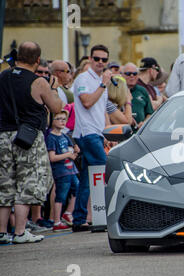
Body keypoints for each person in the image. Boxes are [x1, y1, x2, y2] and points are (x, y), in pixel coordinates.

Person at [0, 41, 64, 244]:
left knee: (5, 184)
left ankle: (1, 233)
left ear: (18, 56)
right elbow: (56, 108)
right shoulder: (38, 82)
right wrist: (53, 89)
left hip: (2, 135)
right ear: (37, 60)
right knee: (27, 183)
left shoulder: (3, 77)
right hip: (28, 137)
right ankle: (19, 232)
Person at [71, 44, 112, 232]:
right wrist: (103, 84)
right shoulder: (83, 78)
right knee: (105, 173)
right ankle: (102, 216)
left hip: (95, 132)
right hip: (87, 133)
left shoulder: (100, 81)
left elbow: (101, 111)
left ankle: (79, 218)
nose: (100, 63)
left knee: (88, 178)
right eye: (97, 59)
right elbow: (86, 102)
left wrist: (104, 133)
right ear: (90, 59)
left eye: (104, 60)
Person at [46, 110, 80, 231]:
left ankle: (68, 213)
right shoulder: (51, 137)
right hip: (61, 171)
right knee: (60, 195)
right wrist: (68, 155)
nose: (62, 121)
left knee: (78, 189)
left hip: (71, 170)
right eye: (59, 119)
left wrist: (75, 151)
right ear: (52, 121)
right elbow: (52, 157)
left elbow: (73, 150)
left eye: (64, 119)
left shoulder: (65, 136)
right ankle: (56, 221)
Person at [123, 63, 154, 129]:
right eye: (128, 74)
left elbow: (150, 113)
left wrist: (144, 123)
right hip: (121, 132)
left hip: (138, 132)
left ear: (138, 76)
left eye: (135, 74)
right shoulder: (117, 90)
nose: (132, 76)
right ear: (122, 75)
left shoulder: (142, 90)